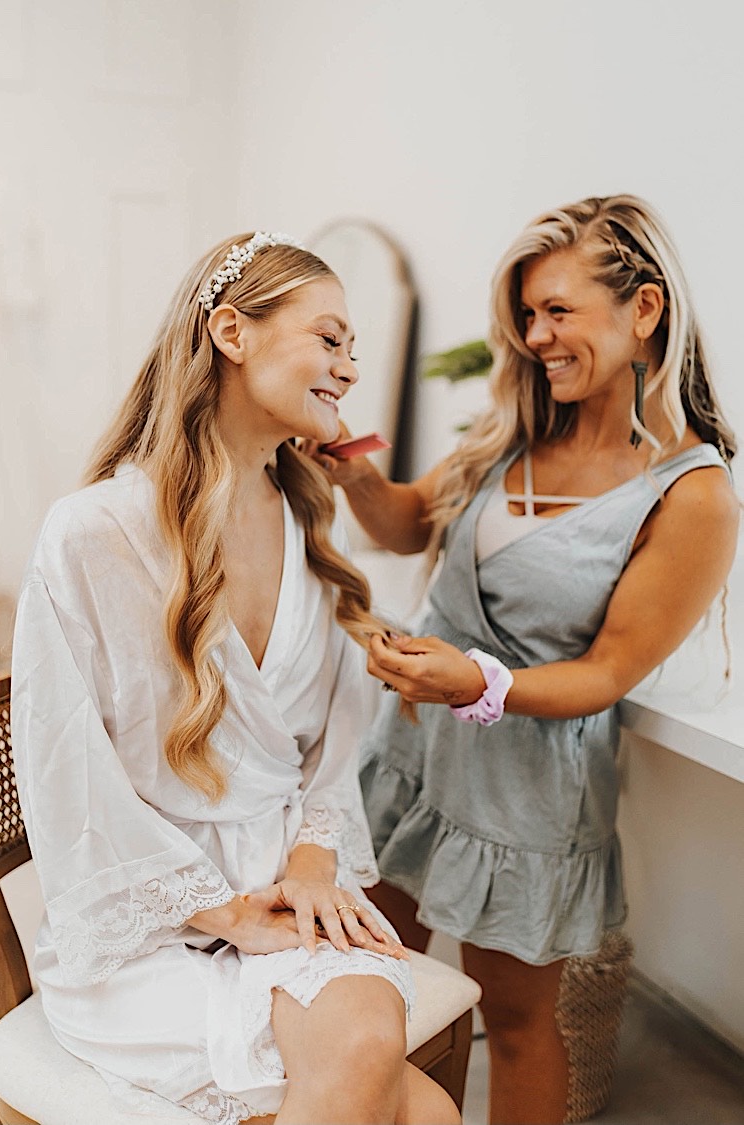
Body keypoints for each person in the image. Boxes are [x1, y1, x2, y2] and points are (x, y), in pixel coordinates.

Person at [12, 232, 461, 1124]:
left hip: (290, 884)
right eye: (329, 339)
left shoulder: (301, 516)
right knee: (419, 1109)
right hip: (147, 911)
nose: (347, 367)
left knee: (376, 1058)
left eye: (354, 349)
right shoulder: (93, 534)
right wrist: (219, 911)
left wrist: (309, 859)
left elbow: (333, 744)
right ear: (231, 331)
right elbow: (68, 775)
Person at [314, 195, 738, 1125]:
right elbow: (403, 522)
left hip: (529, 792)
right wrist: (353, 474)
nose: (537, 336)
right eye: (528, 314)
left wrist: (479, 680)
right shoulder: (509, 430)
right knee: (373, 973)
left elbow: (608, 673)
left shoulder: (693, 493)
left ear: (645, 310)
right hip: (413, 754)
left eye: (559, 310)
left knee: (513, 1016)